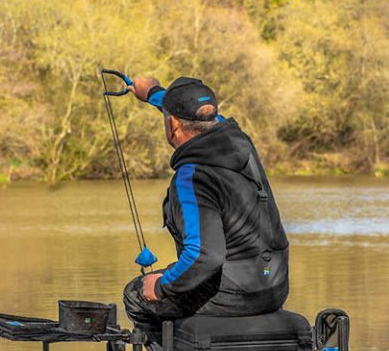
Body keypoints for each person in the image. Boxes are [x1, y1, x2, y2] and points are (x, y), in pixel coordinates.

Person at [122, 75, 290, 331]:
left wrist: (160, 287)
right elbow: (202, 117)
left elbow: (203, 256)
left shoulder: (190, 177)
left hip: (234, 295)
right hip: (275, 284)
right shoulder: (240, 142)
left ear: (173, 124)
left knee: (136, 293)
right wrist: (154, 93)